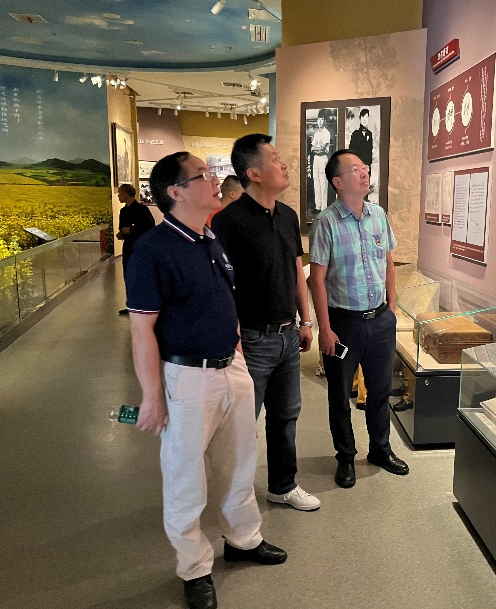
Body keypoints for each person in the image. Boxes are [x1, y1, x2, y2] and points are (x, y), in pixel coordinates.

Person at [125, 152, 287, 609]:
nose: (216, 180)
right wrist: (151, 397)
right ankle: (194, 568)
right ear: (176, 191)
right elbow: (141, 330)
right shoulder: (154, 250)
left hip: (230, 367)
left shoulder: (209, 237)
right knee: (185, 478)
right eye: (203, 175)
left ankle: (243, 539)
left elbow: (222, 299)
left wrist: (236, 348)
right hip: (188, 377)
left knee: (239, 463)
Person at [212, 134, 320, 512]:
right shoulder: (228, 221)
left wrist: (306, 321)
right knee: (242, 424)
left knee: (286, 416)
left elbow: (296, 270)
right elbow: (220, 285)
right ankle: (235, 499)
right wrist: (234, 338)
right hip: (252, 339)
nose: (284, 163)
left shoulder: (288, 216)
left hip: (289, 335)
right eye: (274, 158)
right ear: (253, 173)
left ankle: (282, 486)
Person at [308, 149, 409, 489]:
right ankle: (346, 457)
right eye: (355, 169)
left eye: (364, 167)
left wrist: (391, 307)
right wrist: (324, 328)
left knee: (380, 390)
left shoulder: (378, 215)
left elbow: (388, 262)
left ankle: (380, 449)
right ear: (337, 182)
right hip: (344, 323)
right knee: (339, 396)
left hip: (380, 320)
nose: (364, 173)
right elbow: (316, 279)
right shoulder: (326, 222)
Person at [116, 183, 154, 315]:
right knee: (128, 276)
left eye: (119, 193)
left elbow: (150, 226)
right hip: (128, 248)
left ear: (126, 194)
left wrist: (132, 229)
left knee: (140, 276)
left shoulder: (142, 210)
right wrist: (121, 233)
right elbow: (123, 228)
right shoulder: (123, 211)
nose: (118, 196)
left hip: (140, 249)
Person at [311, 116, 331, 212]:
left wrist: (318, 148)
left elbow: (322, 149)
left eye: (322, 119)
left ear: (324, 121)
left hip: (323, 158)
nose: (319, 121)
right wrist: (317, 149)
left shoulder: (326, 133)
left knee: (323, 182)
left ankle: (323, 207)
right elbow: (312, 148)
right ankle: (317, 206)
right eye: (318, 119)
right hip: (316, 159)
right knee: (316, 181)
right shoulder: (316, 134)